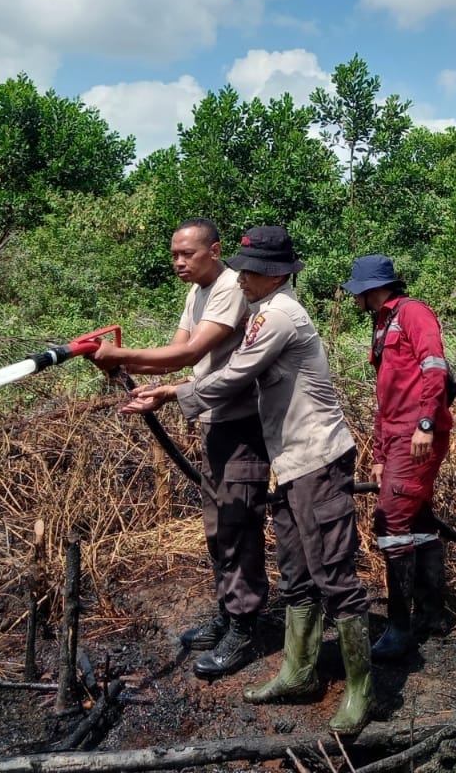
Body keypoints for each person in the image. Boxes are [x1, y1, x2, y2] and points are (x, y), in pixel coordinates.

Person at [139, 225, 374, 735]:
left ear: (274, 274)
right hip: (289, 458)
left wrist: (169, 394)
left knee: (333, 570)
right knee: (295, 567)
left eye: (249, 269)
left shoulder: (281, 316)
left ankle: (362, 690)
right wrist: (170, 389)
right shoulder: (264, 309)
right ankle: (299, 672)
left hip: (316, 456)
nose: (240, 277)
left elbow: (233, 376)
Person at [100, 219, 268, 679]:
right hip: (214, 425)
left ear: (214, 250)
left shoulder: (231, 287)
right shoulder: (197, 291)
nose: (178, 262)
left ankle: (246, 626)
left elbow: (189, 355)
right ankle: (229, 613)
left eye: (187, 254)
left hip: (243, 426)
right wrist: (138, 375)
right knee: (218, 529)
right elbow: (176, 352)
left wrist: (121, 355)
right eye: (174, 254)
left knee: (237, 526)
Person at [342, 254, 455, 662]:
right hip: (396, 435)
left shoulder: (413, 314)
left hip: (416, 434)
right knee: (418, 519)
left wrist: (426, 424)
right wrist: (379, 451)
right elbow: (385, 398)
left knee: (390, 521)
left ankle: (399, 628)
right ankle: (430, 615)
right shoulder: (383, 322)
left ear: (370, 288)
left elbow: (434, 369)